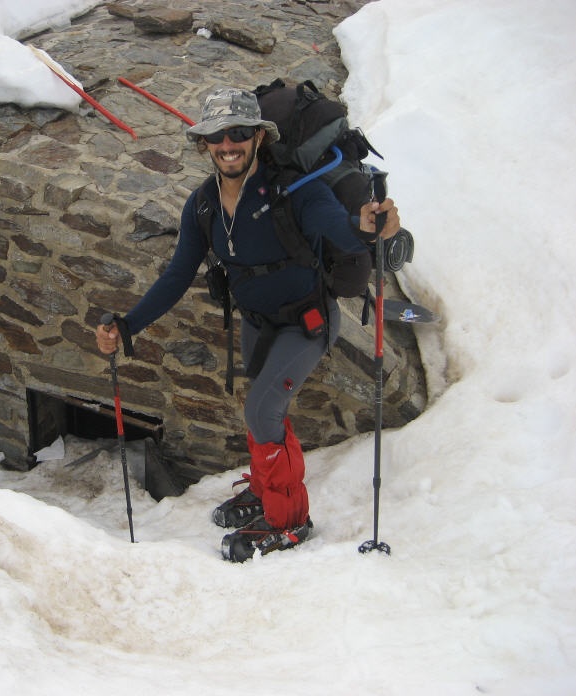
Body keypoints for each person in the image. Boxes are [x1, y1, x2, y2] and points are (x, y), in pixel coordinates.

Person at [94, 86, 401, 561]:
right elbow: (177, 275)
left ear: (259, 137)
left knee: (262, 410)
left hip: (307, 322)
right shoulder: (203, 204)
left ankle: (289, 520)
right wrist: (128, 325)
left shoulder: (296, 191)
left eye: (239, 133)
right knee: (261, 411)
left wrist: (367, 226)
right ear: (204, 143)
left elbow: (339, 227)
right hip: (257, 323)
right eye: (217, 135)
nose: (228, 144)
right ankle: (264, 491)